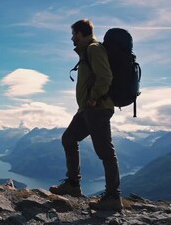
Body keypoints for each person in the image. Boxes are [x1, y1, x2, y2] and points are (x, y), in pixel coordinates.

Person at [49, 19, 123, 211]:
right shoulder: (86, 52)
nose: (72, 38)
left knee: (105, 151)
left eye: (73, 34)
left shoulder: (93, 49)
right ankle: (73, 185)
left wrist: (93, 97)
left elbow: (105, 76)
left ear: (80, 34)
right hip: (87, 109)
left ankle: (113, 197)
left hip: (97, 108)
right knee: (68, 138)